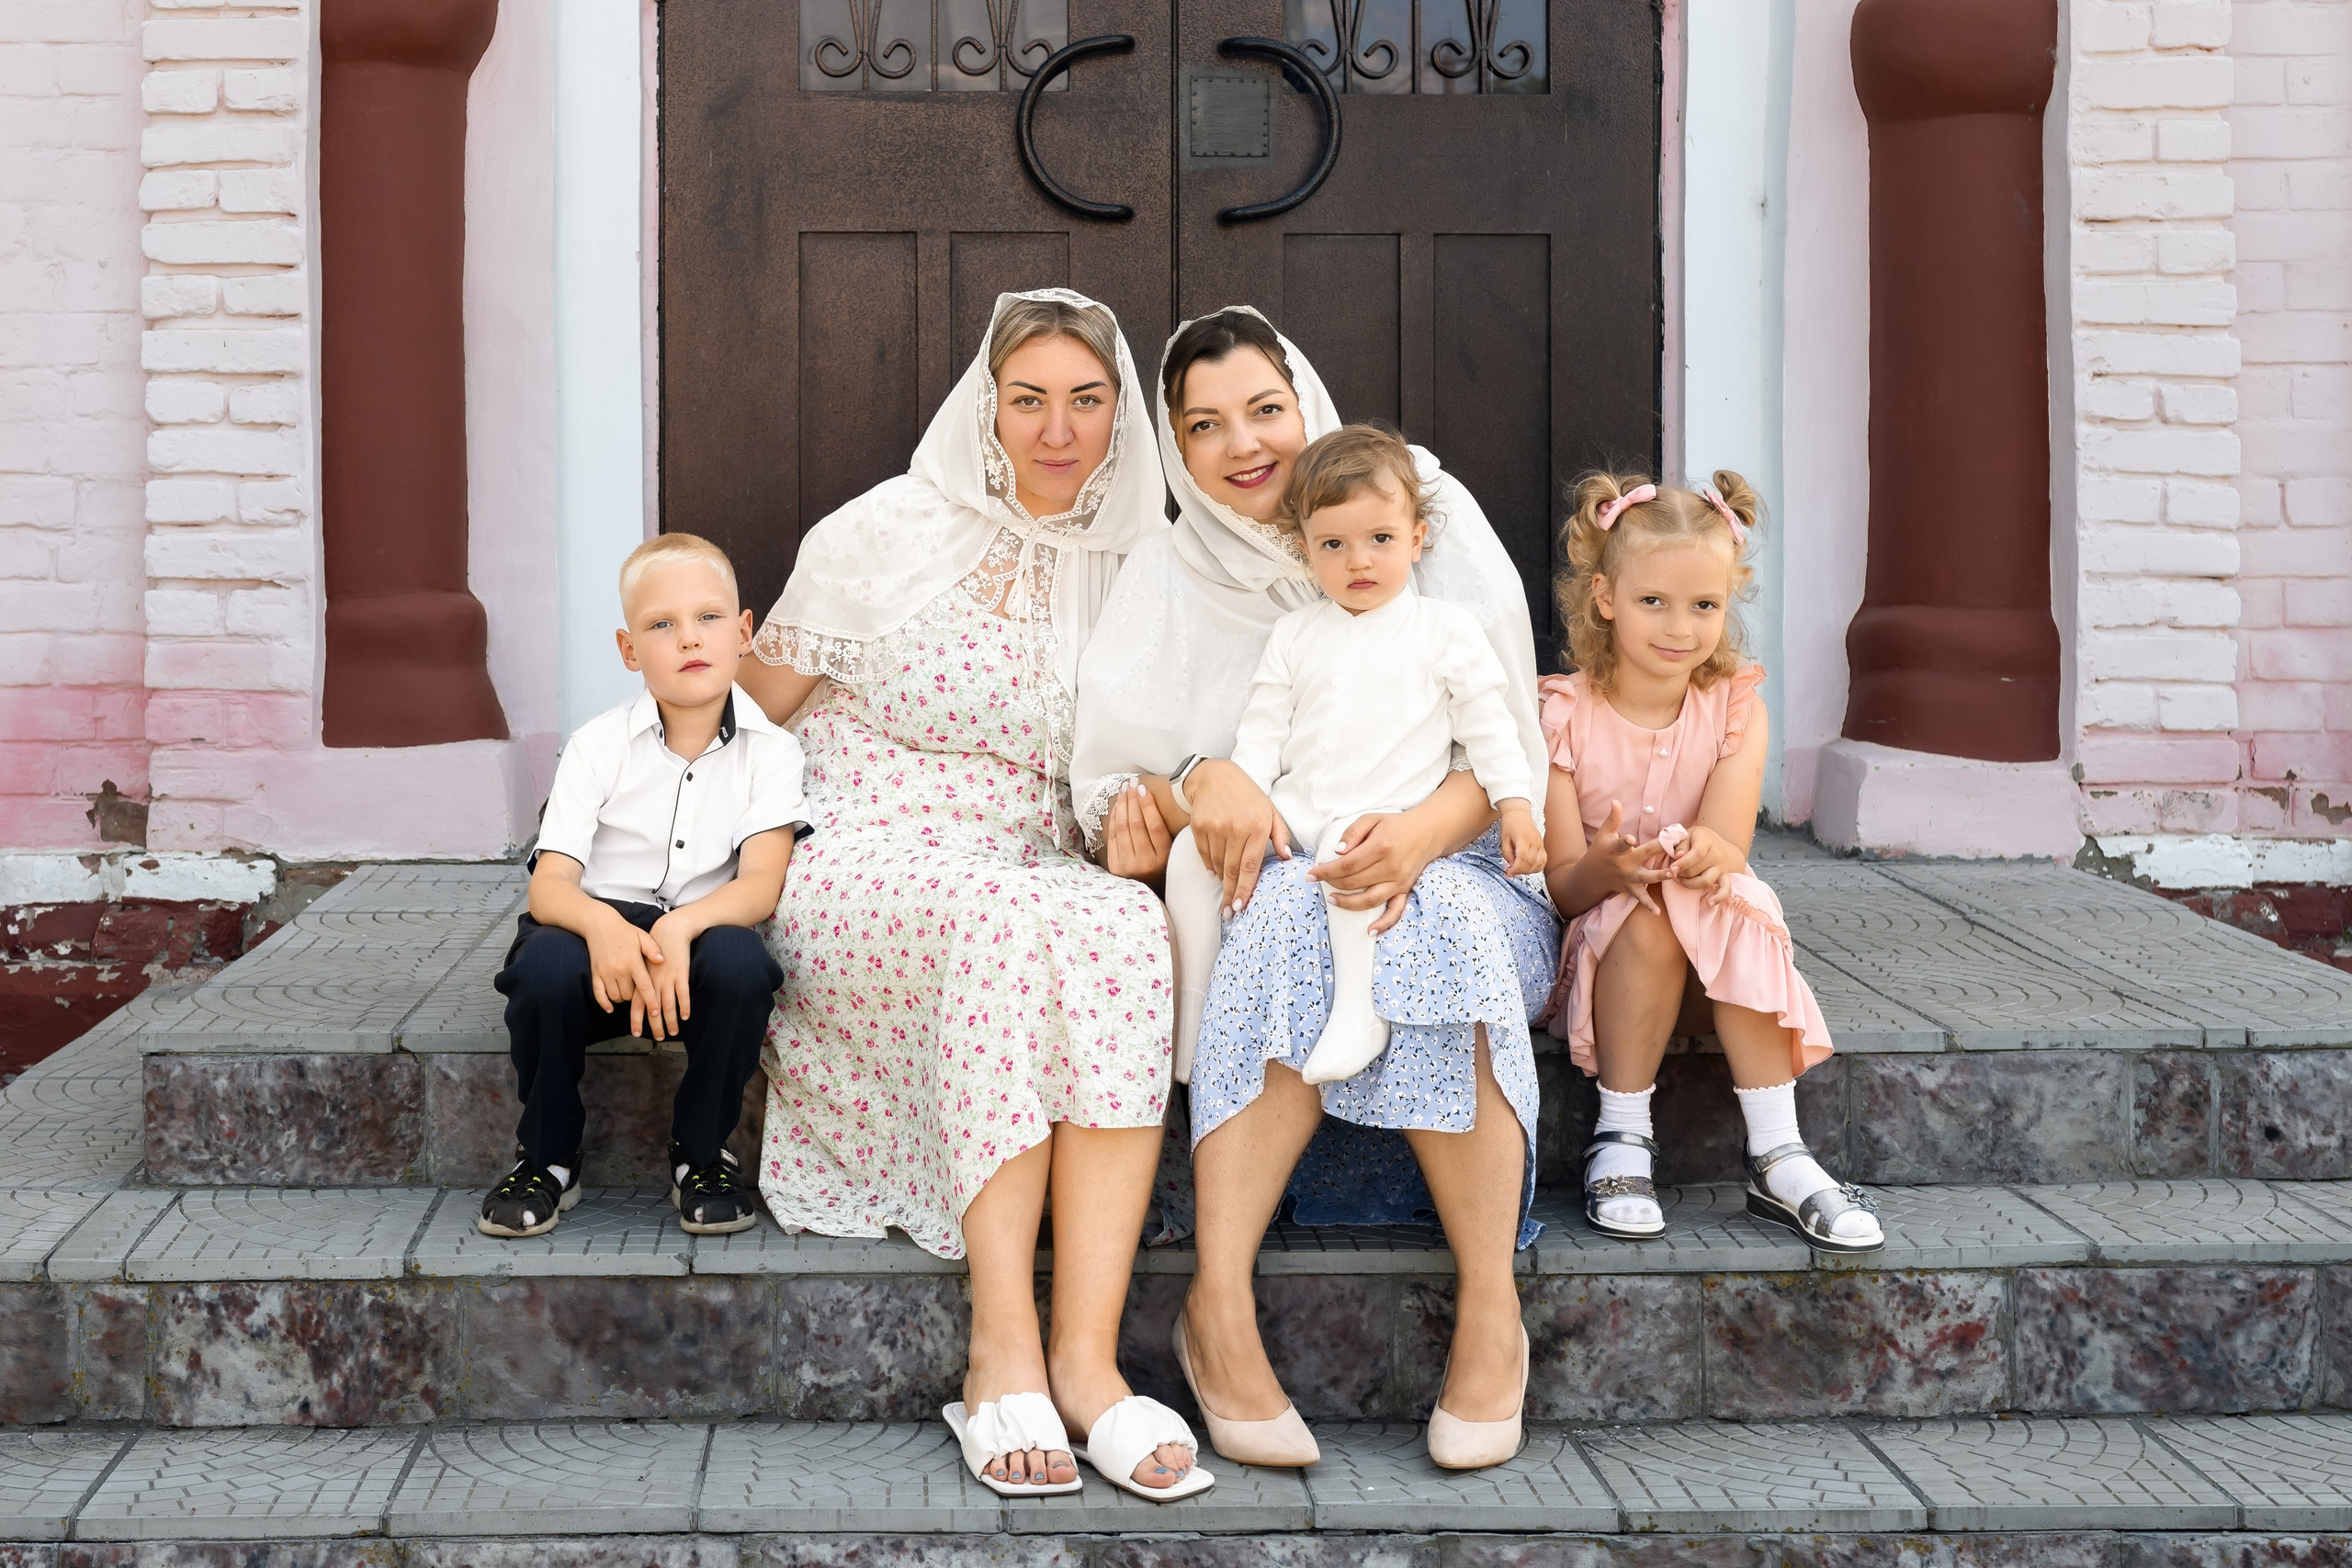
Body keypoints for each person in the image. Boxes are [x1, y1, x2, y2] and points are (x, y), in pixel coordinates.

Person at [738, 290, 1210, 1503]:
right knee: (1008, 918)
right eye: (1030, 398)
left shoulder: (1149, 568)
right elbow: (744, 723)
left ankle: (1088, 1362)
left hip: (1039, 859)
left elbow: (1144, 770)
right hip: (863, 851)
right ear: (988, 408)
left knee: (1116, 922)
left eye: (1087, 400)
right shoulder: (883, 531)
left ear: (1121, 416)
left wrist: (1142, 816)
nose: (1058, 428)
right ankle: (1001, 1339)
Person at [1071, 309, 1558, 1472]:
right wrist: (1198, 780)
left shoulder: (1415, 508)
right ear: (1173, 447)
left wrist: (1421, 837)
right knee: (1288, 907)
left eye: (1264, 409)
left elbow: (1504, 747)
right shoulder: (1177, 561)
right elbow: (1119, 772)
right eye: (1203, 425)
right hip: (1298, 861)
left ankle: (1492, 1310)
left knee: (1428, 915)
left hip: (1467, 859)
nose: (1244, 444)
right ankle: (1219, 1307)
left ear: (1306, 399)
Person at [1537, 472, 1883, 1253]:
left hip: (1716, 976)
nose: (1680, 626)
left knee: (1729, 896)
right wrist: (1609, 869)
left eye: (1705, 605)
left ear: (1728, 605)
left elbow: (1729, 844)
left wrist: (1702, 852)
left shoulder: (1735, 705)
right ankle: (1621, 1136)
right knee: (1651, 913)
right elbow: (1560, 886)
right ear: (1604, 597)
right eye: (1652, 601)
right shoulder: (1562, 713)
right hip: (1612, 972)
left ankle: (1779, 1151)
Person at [1183, 423, 1544, 1088]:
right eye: (1334, 545)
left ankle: (1359, 1012)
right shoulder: (1295, 635)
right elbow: (1261, 735)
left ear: (1416, 538)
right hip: (1299, 809)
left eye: (1380, 539)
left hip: (1381, 813)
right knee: (1189, 855)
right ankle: (1195, 1021)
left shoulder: (1445, 630)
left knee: (1350, 854)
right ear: (1305, 550)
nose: (1359, 562)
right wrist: (1245, 796)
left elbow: (1493, 730)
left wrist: (1516, 806)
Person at [484, 532, 806, 1240]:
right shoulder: (595, 746)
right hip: (594, 940)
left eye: (709, 618)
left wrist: (681, 926)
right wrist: (603, 927)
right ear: (631, 650)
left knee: (746, 965)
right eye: (662, 625)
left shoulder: (774, 753)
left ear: (744, 632)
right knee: (540, 967)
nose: (689, 638)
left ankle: (701, 1153)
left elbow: (760, 882)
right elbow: (551, 886)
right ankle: (548, 1154)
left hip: (698, 937)